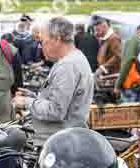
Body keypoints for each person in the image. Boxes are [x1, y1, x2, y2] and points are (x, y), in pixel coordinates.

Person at [12, 17, 94, 146]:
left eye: (43, 41)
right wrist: (34, 97)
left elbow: (55, 111)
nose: (40, 46)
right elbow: (64, 103)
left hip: (59, 144)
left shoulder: (68, 66)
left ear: (56, 39)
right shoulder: (73, 60)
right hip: (64, 140)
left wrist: (26, 102)